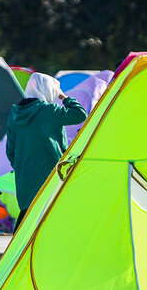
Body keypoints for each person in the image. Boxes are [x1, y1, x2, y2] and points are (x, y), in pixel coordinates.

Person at [6, 72, 87, 230]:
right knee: (50, 222)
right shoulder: (49, 111)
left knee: (26, 219)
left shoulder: (15, 114)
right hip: (50, 175)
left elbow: (10, 151)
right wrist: (64, 97)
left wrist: (22, 167)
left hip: (25, 177)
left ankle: (19, 253)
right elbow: (80, 114)